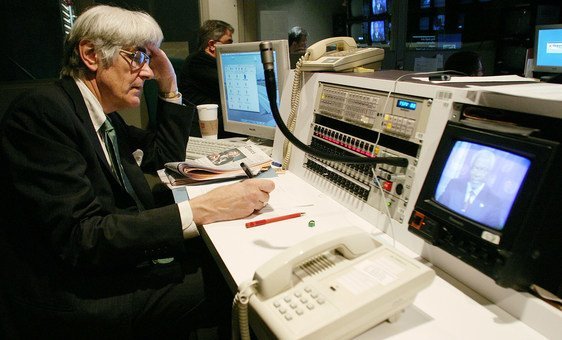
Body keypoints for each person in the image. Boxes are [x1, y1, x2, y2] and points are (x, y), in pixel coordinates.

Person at [0, 5, 275, 339]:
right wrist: (203, 208)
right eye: (138, 57)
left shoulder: (103, 115)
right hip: (74, 296)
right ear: (90, 55)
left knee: (225, 255)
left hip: (104, 266)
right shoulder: (42, 113)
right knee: (239, 282)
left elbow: (161, 159)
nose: (147, 72)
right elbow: (82, 237)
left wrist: (170, 88)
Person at [178, 20, 239, 139]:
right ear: (212, 45)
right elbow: (232, 87)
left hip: (216, 127)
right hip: (202, 131)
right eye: (228, 43)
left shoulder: (211, 63)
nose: (232, 47)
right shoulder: (197, 62)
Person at [437, 149, 502, 228]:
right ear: (470, 168)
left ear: (489, 173)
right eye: (475, 168)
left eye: (483, 170)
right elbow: (438, 210)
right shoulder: (454, 184)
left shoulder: (495, 201)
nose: (477, 174)